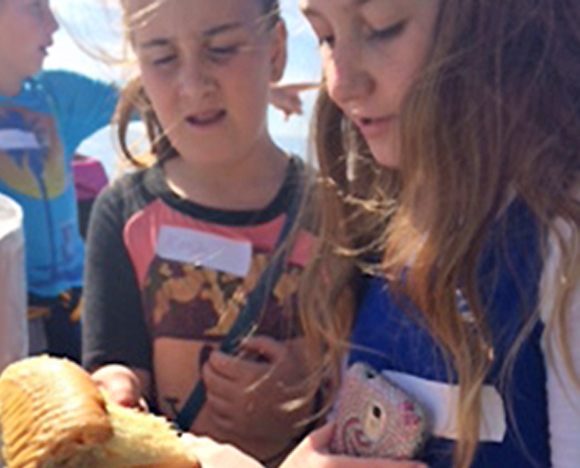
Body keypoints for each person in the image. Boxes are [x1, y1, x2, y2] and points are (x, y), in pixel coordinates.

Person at [283, 0, 580, 467]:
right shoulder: (371, 221)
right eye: (325, 36)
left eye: (383, 27)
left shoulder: (560, 238)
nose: (340, 83)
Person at [82, 0, 319, 465]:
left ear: (275, 51)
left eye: (222, 48)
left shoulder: (335, 214)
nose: (193, 85)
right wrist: (114, 394)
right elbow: (117, 360)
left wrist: (299, 402)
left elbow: (373, 380)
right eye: (163, 57)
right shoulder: (124, 214)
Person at [0, 0, 121, 363]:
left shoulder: (59, 97)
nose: (53, 24)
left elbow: (147, 99)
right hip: (11, 318)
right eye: (35, 6)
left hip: (76, 307)